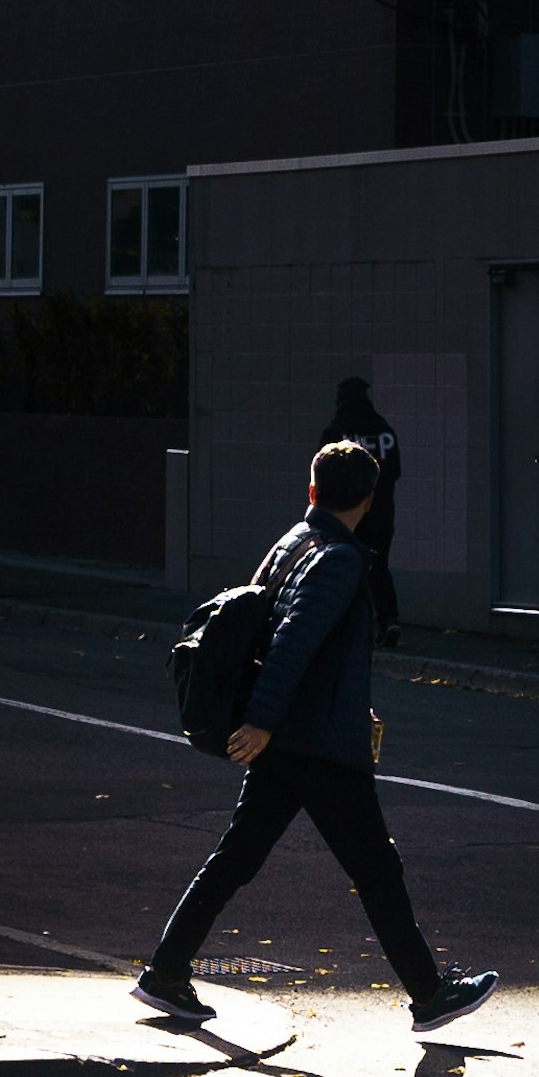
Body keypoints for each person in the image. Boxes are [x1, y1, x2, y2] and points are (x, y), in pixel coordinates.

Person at [134, 437, 494, 1035]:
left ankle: (166, 972)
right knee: (376, 868)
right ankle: (430, 997)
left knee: (238, 857)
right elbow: (292, 642)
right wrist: (264, 720)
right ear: (371, 501)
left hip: (297, 736)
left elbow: (300, 643)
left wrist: (347, 709)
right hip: (315, 745)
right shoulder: (340, 559)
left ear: (312, 490)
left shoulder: (292, 542)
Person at [326, 369, 402, 641]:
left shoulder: (337, 434)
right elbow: (395, 472)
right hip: (383, 514)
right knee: (379, 568)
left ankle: (351, 628)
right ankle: (388, 620)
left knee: (347, 569)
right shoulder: (386, 432)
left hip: (349, 517)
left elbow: (325, 475)